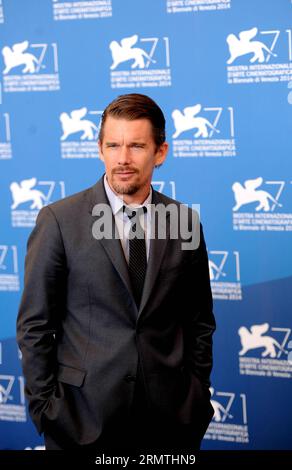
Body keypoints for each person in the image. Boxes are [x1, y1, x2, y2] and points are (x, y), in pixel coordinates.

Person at [16, 93, 216, 453]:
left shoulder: (184, 221)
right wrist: (46, 409)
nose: (123, 159)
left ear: (161, 152)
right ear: (100, 148)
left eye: (137, 146)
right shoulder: (60, 220)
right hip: (81, 421)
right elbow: (34, 325)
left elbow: (199, 320)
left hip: (169, 424)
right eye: (113, 145)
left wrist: (196, 395)